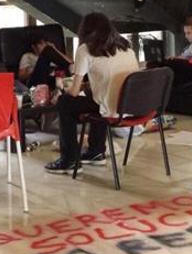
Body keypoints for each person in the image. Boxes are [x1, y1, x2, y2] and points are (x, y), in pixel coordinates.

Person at [45, 12, 139, 173]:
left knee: (65, 103)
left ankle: (69, 160)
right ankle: (96, 151)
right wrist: (86, 87)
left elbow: (73, 92)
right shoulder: (126, 46)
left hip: (110, 108)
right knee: (94, 96)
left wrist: (63, 89)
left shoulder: (86, 49)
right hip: (132, 106)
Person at [149, 14, 192, 87]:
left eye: (188, 33)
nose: (186, 36)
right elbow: (187, 55)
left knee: (173, 63)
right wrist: (180, 57)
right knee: (169, 62)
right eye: (185, 33)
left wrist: (191, 58)